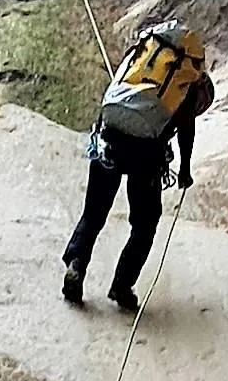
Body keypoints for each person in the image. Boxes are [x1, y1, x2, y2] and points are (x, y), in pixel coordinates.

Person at [61, 20, 213, 313]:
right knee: (145, 223)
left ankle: (76, 267)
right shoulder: (186, 84)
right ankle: (121, 285)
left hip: (109, 136)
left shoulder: (144, 58)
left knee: (94, 213)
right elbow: (186, 132)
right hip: (145, 155)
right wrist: (184, 171)